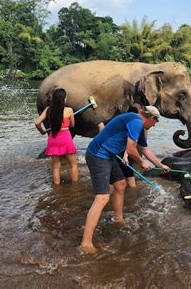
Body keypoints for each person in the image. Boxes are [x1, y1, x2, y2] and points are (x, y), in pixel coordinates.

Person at [80, 105, 170, 254]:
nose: (154, 126)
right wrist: (141, 163)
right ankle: (85, 243)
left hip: (109, 155)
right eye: (156, 122)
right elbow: (130, 149)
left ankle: (118, 219)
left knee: (120, 185)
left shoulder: (139, 127)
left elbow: (144, 149)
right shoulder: (135, 121)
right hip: (98, 155)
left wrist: (160, 165)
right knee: (102, 198)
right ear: (152, 118)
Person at [35, 88, 78, 185]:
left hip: (53, 139)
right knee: (73, 165)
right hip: (65, 139)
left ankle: (56, 188)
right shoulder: (69, 110)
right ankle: (75, 188)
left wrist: (42, 131)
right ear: (64, 99)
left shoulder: (48, 110)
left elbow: (37, 123)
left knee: (55, 167)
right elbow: (72, 125)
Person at [98, 103, 144, 188]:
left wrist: (103, 140)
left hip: (111, 151)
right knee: (130, 179)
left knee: (114, 180)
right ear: (138, 112)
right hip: (122, 151)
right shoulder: (135, 122)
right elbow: (131, 144)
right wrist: (126, 156)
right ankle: (132, 195)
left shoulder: (119, 117)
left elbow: (100, 124)